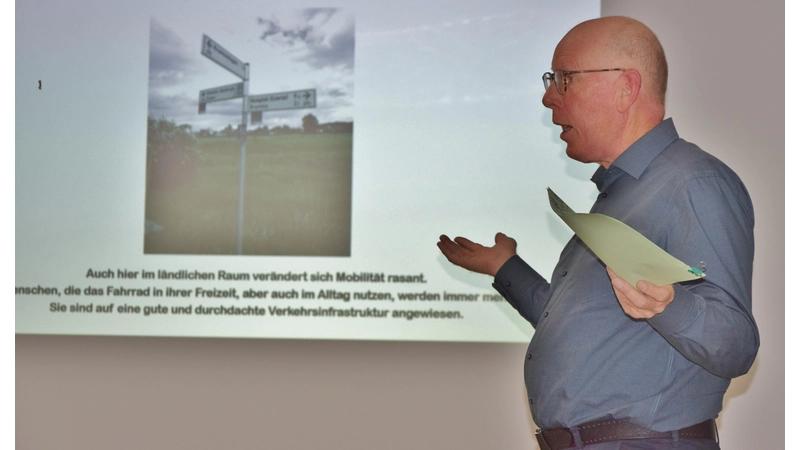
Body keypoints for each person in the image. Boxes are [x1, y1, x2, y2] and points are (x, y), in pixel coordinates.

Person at [437, 16, 758, 450]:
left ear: (626, 87)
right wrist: (503, 267)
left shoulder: (692, 184)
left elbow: (736, 345)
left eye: (564, 79)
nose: (549, 97)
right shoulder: (622, 194)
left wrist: (670, 306)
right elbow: (581, 328)